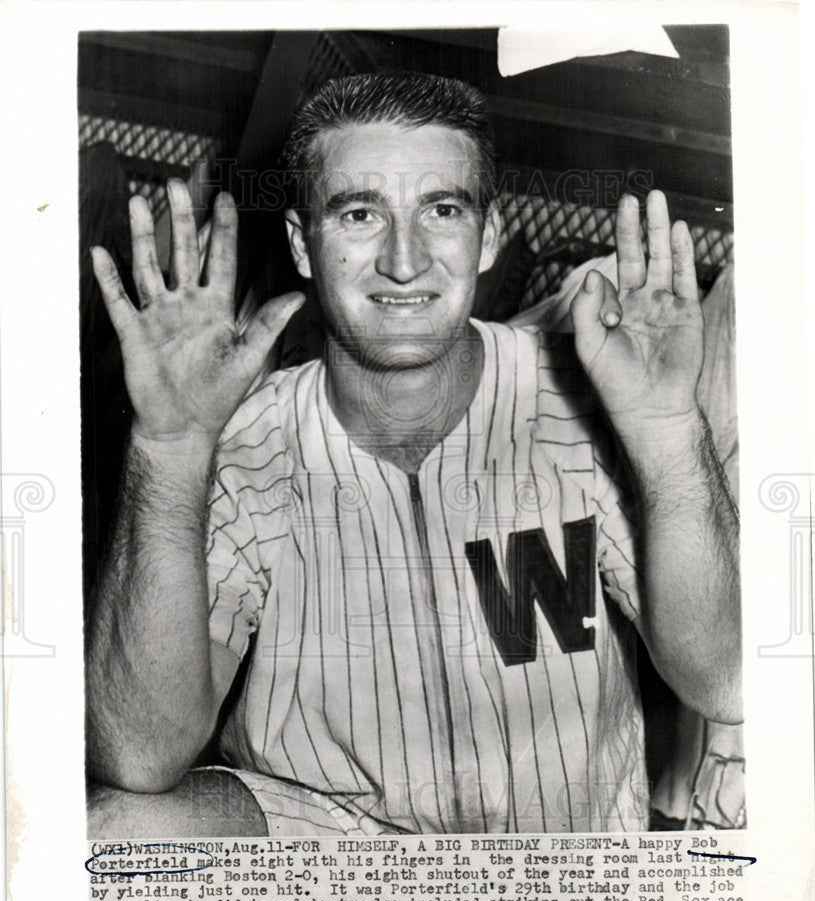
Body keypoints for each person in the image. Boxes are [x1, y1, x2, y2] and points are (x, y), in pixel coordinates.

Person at [86, 73, 741, 837]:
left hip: (561, 860)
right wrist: (170, 447)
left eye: (441, 211)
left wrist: (665, 429)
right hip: (341, 853)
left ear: (488, 235)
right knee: (122, 835)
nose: (403, 261)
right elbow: (138, 755)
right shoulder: (247, 442)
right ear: (303, 243)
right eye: (360, 213)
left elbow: (725, 680)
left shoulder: (582, 399)